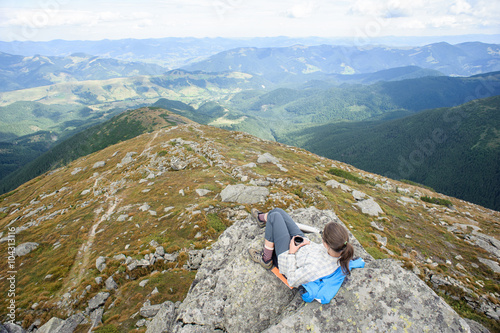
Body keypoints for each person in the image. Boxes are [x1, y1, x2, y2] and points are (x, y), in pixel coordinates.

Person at [248, 208, 354, 288]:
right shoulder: (340, 249)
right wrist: (307, 243)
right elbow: (320, 250)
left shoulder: (315, 269)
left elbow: (292, 280)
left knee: (274, 216)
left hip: (289, 254)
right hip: (303, 245)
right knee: (278, 211)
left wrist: (292, 253)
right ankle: (261, 219)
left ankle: (266, 259)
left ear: (326, 244)